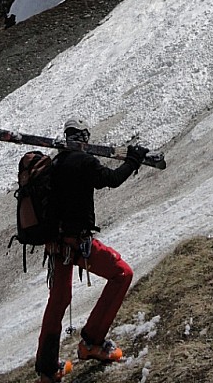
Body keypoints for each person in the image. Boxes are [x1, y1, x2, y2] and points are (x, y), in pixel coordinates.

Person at [35, 117, 149, 383]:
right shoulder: (84, 161)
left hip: (57, 247)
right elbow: (110, 179)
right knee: (122, 274)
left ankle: (47, 370)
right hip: (78, 243)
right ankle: (93, 342)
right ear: (84, 137)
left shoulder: (54, 164)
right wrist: (133, 160)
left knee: (58, 302)